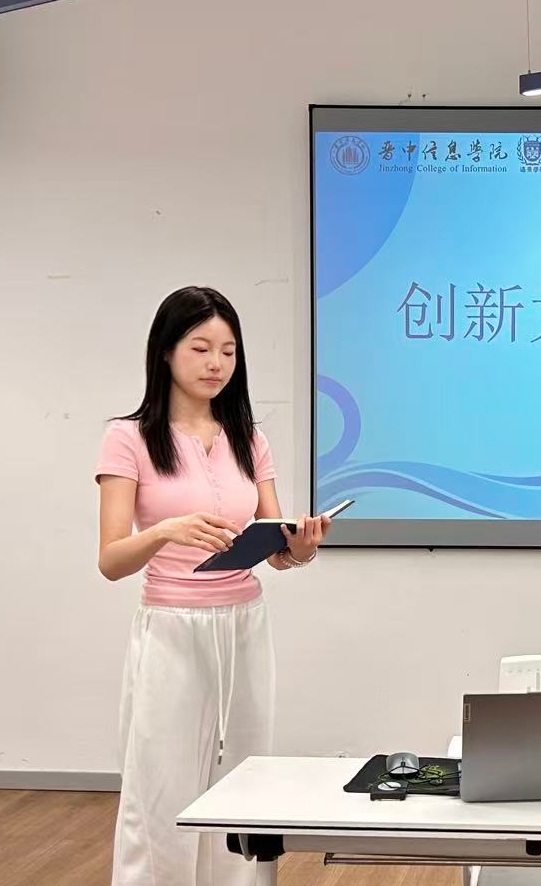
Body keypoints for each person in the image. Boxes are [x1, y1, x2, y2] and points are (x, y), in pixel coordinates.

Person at [96, 286, 330, 886]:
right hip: (172, 627)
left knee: (245, 782)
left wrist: (299, 547)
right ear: (166, 351)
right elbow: (111, 561)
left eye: (228, 351)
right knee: (161, 786)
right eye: (200, 348)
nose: (216, 364)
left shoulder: (249, 438)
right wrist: (165, 531)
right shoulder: (128, 437)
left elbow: (275, 546)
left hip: (245, 625)